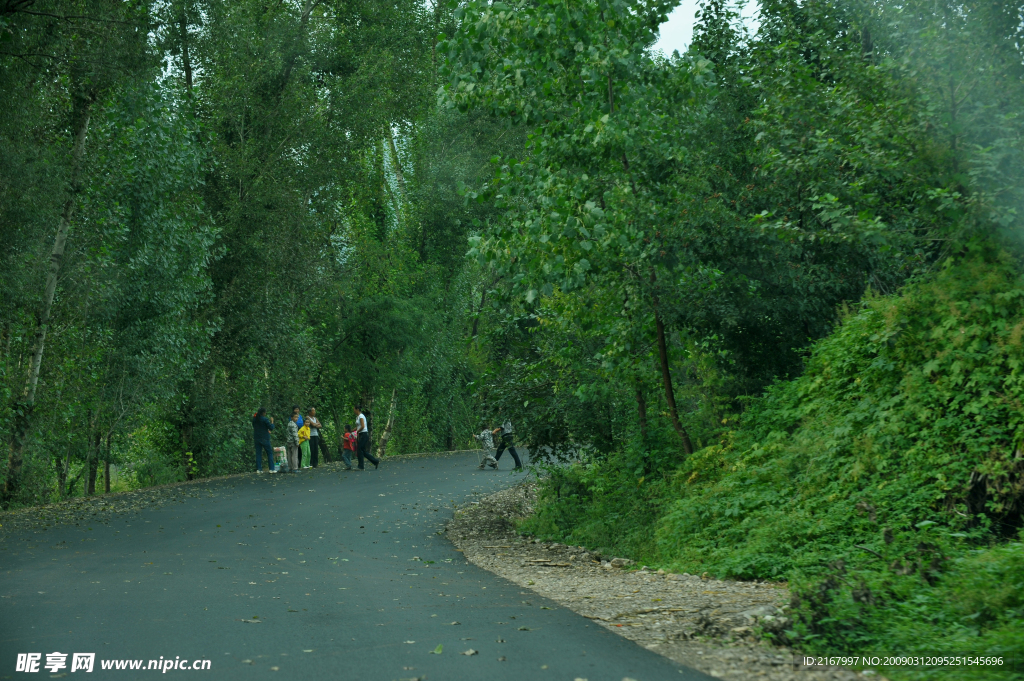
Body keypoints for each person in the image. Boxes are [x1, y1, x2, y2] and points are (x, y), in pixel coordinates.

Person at [353, 404, 379, 470]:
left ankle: (361, 466)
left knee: (359, 449)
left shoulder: (361, 416)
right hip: (361, 435)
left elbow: (362, 426)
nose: (354, 411)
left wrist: (357, 432)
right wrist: (352, 431)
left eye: (354, 409)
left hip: (364, 434)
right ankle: (375, 461)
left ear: (357, 409)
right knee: (363, 451)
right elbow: (358, 426)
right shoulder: (357, 417)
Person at [252, 408, 276, 473]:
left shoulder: (255, 419)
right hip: (265, 438)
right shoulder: (265, 419)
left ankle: (259, 469)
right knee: (269, 453)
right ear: (263, 413)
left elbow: (255, 427)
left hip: (257, 437)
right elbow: (271, 427)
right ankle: (271, 469)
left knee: (258, 453)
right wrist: (272, 422)